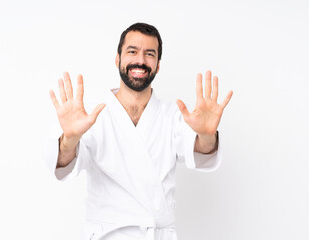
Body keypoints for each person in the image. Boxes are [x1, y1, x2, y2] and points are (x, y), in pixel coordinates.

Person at [46, 22, 233, 240]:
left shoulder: (172, 115)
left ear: (158, 64)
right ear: (118, 59)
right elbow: (64, 162)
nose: (140, 61)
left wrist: (207, 134)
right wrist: (69, 139)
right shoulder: (91, 116)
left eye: (149, 54)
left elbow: (201, 149)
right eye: (132, 51)